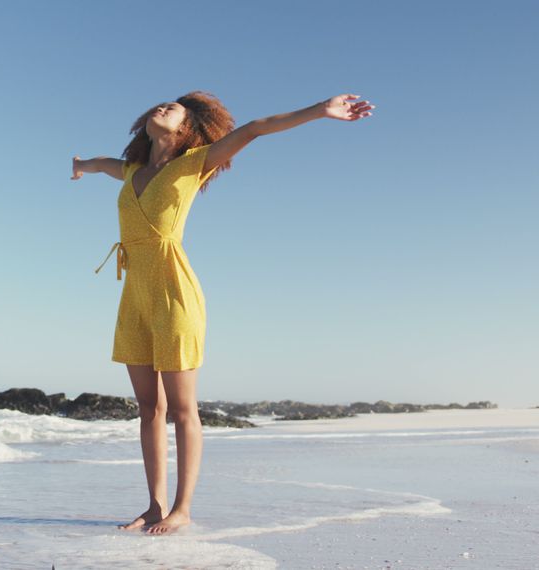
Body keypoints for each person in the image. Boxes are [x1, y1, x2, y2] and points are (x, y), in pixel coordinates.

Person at [70, 92, 375, 534]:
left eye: (172, 110)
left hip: (175, 291)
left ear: (186, 127)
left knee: (181, 408)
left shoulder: (194, 162)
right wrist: (81, 165)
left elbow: (254, 128)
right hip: (134, 293)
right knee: (148, 408)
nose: (161, 109)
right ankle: (154, 506)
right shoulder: (132, 171)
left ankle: (182, 509)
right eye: (159, 105)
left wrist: (318, 111)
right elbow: (101, 163)